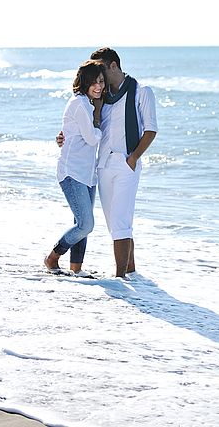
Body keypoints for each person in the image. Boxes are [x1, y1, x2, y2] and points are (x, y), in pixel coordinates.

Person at [57, 47, 158, 278]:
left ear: (113, 65)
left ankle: (120, 278)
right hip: (101, 165)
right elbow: (83, 125)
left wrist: (132, 159)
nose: (99, 79)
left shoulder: (141, 92)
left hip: (125, 164)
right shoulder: (100, 98)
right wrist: (63, 136)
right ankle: (131, 272)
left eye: (102, 69)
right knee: (116, 223)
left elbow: (151, 130)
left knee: (121, 221)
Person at [45, 60, 107, 276]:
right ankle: (52, 257)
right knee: (86, 224)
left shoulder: (87, 104)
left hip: (87, 174)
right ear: (84, 82)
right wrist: (98, 121)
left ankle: (76, 270)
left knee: (80, 223)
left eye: (101, 81)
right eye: (94, 82)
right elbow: (91, 138)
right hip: (72, 172)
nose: (98, 86)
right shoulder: (80, 104)